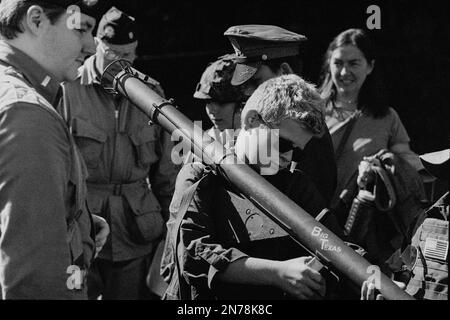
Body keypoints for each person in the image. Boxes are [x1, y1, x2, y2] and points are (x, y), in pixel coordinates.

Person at [162, 74, 345, 300]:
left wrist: (373, 278)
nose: (288, 157)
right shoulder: (200, 175)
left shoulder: (295, 184)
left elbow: (334, 241)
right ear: (251, 120)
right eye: (283, 144)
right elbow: (193, 252)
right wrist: (277, 273)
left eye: (297, 151)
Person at [62, 6, 178, 299]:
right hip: (82, 227)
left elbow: (167, 172)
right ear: (97, 46)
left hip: (135, 227)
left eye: (128, 55)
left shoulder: (151, 93)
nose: (122, 63)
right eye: (113, 54)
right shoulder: (69, 88)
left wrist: (173, 227)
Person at [0, 0, 109, 299]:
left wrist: (76, 223)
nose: (91, 44)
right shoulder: (27, 113)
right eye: (81, 28)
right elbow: (34, 282)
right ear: (36, 20)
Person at [224, 24, 337, 204]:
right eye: (244, 85)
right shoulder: (256, 118)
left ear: (284, 72)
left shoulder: (308, 135)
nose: (247, 93)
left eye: (256, 82)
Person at [318, 28, 423, 209]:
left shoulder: (387, 117)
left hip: (359, 222)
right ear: (329, 65)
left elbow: (404, 164)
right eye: (338, 63)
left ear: (370, 66)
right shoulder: (312, 110)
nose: (344, 72)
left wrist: (380, 165)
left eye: (353, 63)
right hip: (310, 219)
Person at [183, 53, 243, 163]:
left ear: (243, 103)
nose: (212, 110)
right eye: (208, 101)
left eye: (221, 103)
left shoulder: (263, 142)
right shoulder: (202, 143)